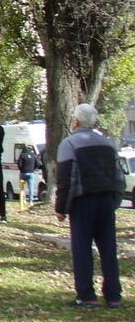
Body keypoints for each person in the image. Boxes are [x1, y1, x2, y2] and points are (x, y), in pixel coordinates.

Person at [55, 103, 123, 309]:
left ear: (76, 120)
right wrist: (115, 201)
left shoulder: (69, 144)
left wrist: (61, 208)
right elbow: (118, 175)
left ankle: (86, 295)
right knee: (108, 248)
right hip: (106, 199)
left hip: (82, 200)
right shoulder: (108, 143)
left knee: (82, 248)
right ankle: (113, 296)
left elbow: (66, 179)